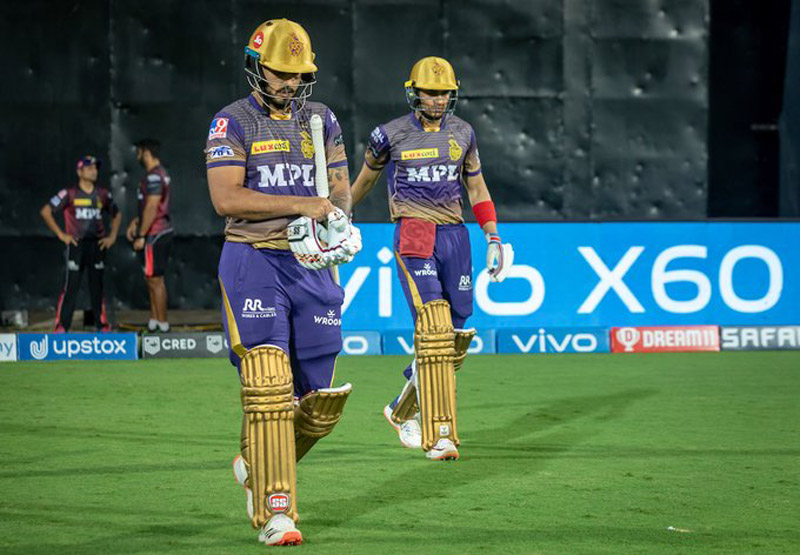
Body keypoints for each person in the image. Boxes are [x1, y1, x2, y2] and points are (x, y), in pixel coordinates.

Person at [205, 19, 360, 547]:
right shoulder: (232, 121)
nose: (290, 84)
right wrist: (303, 204)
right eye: (280, 73)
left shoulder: (322, 119)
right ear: (257, 67)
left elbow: (339, 188)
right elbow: (225, 199)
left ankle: (255, 462)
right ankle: (278, 513)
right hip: (254, 259)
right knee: (270, 385)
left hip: (312, 265)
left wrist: (338, 220)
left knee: (318, 403)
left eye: (298, 75)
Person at [350, 57, 514, 461]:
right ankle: (439, 433)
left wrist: (492, 235)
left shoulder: (463, 133)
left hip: (455, 235)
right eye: (431, 93)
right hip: (414, 232)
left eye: (444, 93)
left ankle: (401, 408)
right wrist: (338, 215)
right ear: (414, 92)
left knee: (456, 334)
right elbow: (365, 180)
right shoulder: (389, 134)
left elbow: (477, 188)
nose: (438, 100)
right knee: (434, 327)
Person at [40, 155, 121, 332]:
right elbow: (46, 211)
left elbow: (117, 213)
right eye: (89, 168)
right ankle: (62, 326)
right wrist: (61, 235)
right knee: (71, 286)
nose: (94, 171)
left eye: (95, 168)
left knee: (97, 286)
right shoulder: (69, 193)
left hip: (97, 245)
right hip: (76, 245)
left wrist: (112, 236)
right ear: (80, 172)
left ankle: (102, 326)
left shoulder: (103, 194)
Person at [125, 138, 173, 333]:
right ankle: (154, 320)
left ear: (146, 153)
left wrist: (141, 235)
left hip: (155, 234)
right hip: (155, 232)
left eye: (138, 152)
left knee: (156, 280)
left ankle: (162, 325)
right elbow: (150, 207)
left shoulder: (154, 176)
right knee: (150, 278)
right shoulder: (157, 174)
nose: (137, 156)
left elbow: (153, 207)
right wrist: (137, 221)